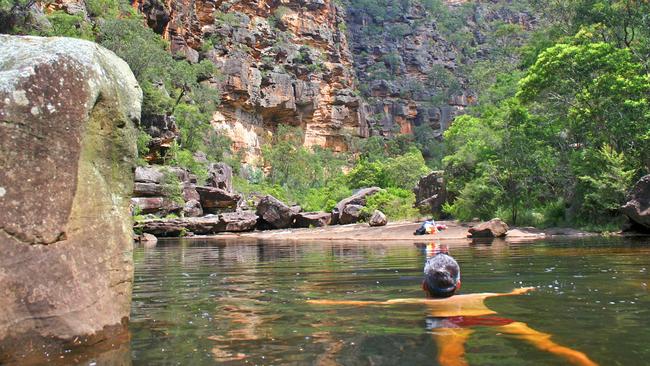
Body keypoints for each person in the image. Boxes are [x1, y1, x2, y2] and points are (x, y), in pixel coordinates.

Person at [308, 243, 598, 366]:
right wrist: (521, 291)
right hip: (486, 319)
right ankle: (584, 361)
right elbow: (503, 296)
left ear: (423, 286)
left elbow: (369, 305)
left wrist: (323, 300)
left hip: (446, 326)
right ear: (458, 285)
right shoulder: (476, 297)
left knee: (450, 359)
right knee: (546, 344)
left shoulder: (411, 302)